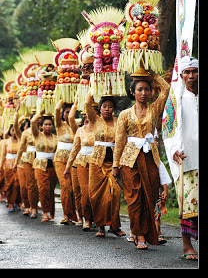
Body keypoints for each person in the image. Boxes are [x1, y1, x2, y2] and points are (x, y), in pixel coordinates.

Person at [112, 67, 170, 249]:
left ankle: (146, 232)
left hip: (150, 158)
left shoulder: (155, 109)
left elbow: (166, 88)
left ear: (151, 91)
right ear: (132, 92)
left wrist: (151, 72)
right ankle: (139, 235)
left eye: (147, 89)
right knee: (134, 198)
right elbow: (119, 141)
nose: (144, 93)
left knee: (149, 197)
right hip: (130, 160)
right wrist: (115, 165)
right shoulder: (124, 115)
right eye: (139, 89)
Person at [163, 56, 198, 260]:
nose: (192, 76)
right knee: (188, 204)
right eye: (187, 72)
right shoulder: (175, 98)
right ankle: (187, 247)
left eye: (195, 71)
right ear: (182, 75)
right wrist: (174, 149)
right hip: (186, 159)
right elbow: (167, 127)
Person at [85, 91, 125, 237]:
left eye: (110, 106)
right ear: (100, 109)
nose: (107, 109)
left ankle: (115, 226)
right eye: (104, 106)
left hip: (113, 162)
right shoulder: (94, 120)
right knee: (96, 195)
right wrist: (93, 85)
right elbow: (87, 103)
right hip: (96, 162)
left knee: (115, 192)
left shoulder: (118, 121)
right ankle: (101, 226)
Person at [64, 115, 95, 230]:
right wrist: (68, 166)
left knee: (96, 193)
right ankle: (86, 218)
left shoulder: (102, 128)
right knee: (84, 193)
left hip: (98, 162)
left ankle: (97, 220)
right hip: (82, 163)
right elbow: (75, 149)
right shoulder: (80, 130)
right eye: (86, 119)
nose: (90, 120)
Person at [54, 99, 78, 224]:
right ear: (63, 115)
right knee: (65, 186)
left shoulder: (77, 125)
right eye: (66, 112)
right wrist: (64, 97)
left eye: (71, 112)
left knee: (74, 188)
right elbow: (57, 110)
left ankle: (75, 215)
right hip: (60, 160)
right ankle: (66, 215)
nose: (68, 115)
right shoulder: (59, 125)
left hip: (73, 160)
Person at [31, 111, 58, 222]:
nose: (48, 126)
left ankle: (51, 211)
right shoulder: (37, 135)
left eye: (50, 124)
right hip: (40, 165)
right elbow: (32, 121)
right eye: (45, 124)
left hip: (52, 165)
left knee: (51, 189)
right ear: (41, 126)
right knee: (43, 189)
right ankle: (45, 213)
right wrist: (41, 112)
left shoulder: (56, 137)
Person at [14, 112, 40, 219]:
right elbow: (20, 148)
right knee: (28, 185)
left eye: (39, 119)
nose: (37, 121)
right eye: (35, 119)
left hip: (39, 160)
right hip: (27, 160)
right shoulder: (24, 133)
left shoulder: (42, 132)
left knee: (38, 184)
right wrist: (16, 162)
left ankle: (35, 204)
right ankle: (29, 206)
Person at [13, 103, 30, 215]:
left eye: (30, 126)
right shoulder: (21, 135)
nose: (28, 128)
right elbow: (15, 125)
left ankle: (33, 204)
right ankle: (26, 205)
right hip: (21, 163)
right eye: (26, 126)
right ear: (23, 127)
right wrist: (17, 112)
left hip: (32, 162)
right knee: (23, 186)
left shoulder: (36, 134)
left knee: (32, 185)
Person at [0, 124, 20, 212]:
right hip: (8, 165)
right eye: (12, 130)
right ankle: (10, 203)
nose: (14, 132)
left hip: (19, 164)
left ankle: (18, 202)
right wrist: (0, 167)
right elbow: (3, 155)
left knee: (18, 184)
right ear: (9, 132)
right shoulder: (6, 142)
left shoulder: (21, 140)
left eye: (16, 130)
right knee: (10, 184)